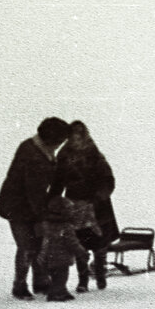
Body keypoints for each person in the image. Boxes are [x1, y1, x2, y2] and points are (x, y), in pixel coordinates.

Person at [0, 117, 71, 300]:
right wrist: (45, 215)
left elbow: (47, 184)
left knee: (38, 244)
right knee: (27, 246)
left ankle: (40, 281)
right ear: (51, 139)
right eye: (60, 142)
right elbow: (34, 190)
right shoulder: (32, 155)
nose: (60, 145)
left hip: (32, 204)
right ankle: (19, 286)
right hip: (17, 207)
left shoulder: (42, 149)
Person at [52, 121, 119, 292]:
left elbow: (108, 180)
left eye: (79, 133)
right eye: (73, 134)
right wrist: (53, 200)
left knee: (99, 243)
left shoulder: (95, 154)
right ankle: (83, 280)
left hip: (97, 205)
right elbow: (58, 181)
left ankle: (100, 274)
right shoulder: (64, 156)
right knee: (79, 241)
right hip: (73, 204)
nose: (76, 137)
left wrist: (98, 197)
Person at [38, 196, 89, 302]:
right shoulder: (66, 227)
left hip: (46, 257)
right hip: (61, 259)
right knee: (61, 278)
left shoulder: (46, 224)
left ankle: (62, 291)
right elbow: (73, 243)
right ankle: (55, 294)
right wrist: (82, 253)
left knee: (55, 276)